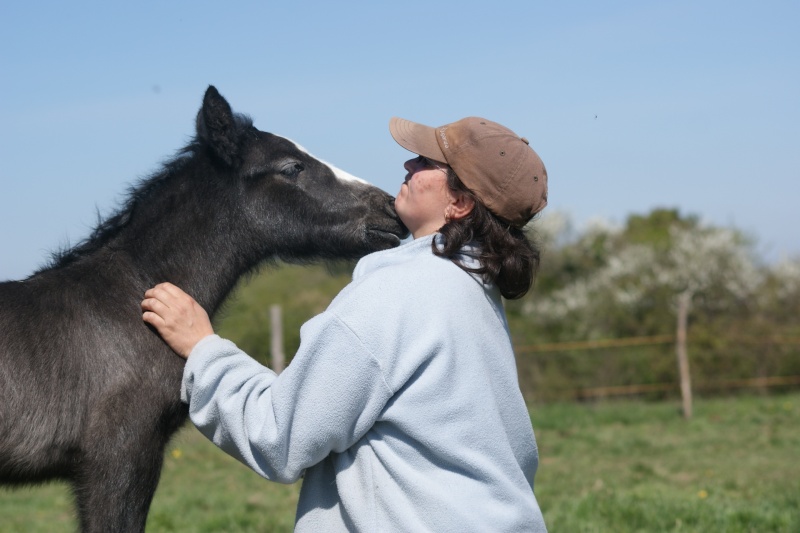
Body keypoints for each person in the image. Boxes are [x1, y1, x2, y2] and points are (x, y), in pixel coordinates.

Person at [141, 116, 549, 532]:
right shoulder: (475, 294)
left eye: (427, 161)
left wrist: (204, 349)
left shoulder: (398, 293)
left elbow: (279, 437)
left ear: (459, 204)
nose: (409, 166)